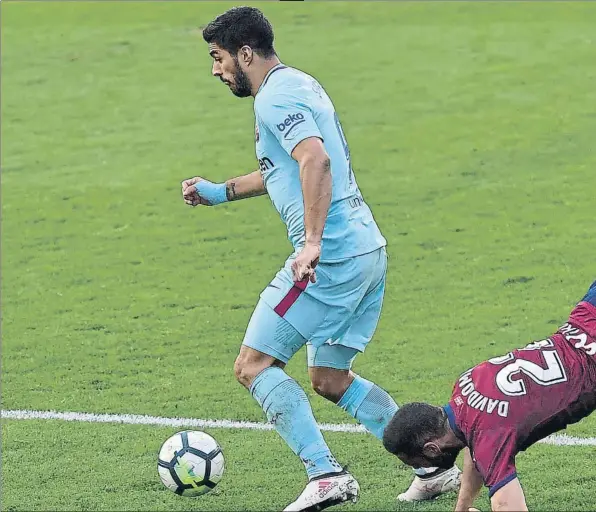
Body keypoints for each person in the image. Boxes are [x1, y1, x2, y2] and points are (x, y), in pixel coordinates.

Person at [180, 6, 460, 511]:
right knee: (329, 378)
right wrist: (219, 192)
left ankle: (326, 474)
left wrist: (310, 242)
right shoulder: (299, 85)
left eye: (219, 58)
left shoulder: (275, 98)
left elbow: (315, 159)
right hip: (366, 251)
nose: (216, 70)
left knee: (252, 365)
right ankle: (431, 466)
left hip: (330, 260)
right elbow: (284, 166)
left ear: (246, 54)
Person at [382, 280, 596, 511]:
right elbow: (475, 453)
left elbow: (507, 504)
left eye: (420, 464)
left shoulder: (486, 436)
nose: (426, 469)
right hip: (585, 319)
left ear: (432, 449)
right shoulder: (464, 388)